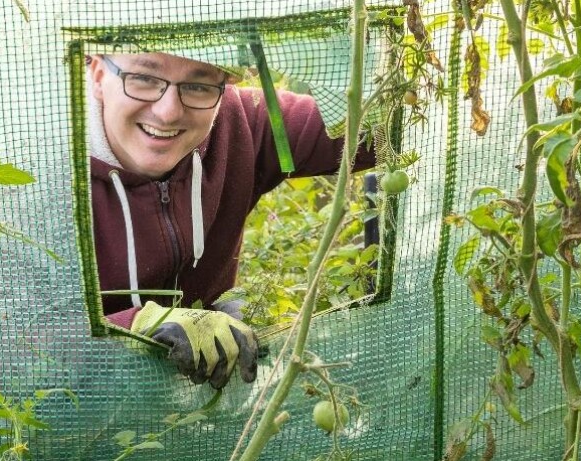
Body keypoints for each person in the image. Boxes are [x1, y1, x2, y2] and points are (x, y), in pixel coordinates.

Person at [87, 52, 375, 389]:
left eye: (198, 85)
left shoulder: (243, 122)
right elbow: (19, 342)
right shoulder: (40, 176)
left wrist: (339, 49)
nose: (167, 112)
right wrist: (134, 326)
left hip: (196, 403)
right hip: (76, 413)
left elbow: (376, 133)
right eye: (144, 79)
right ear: (97, 75)